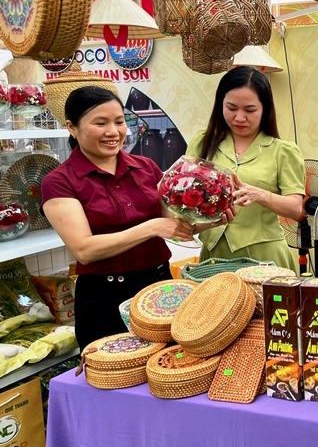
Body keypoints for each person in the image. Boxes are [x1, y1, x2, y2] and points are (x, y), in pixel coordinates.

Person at [41, 86, 208, 351]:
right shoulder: (60, 182)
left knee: (169, 372)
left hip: (160, 289)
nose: (113, 131)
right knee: (113, 382)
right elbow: (84, 249)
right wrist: (151, 227)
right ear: (72, 127)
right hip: (105, 299)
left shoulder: (145, 167)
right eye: (100, 123)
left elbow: (176, 227)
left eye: (119, 122)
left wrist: (220, 214)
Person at [186, 65, 305, 271]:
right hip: (214, 256)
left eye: (250, 110)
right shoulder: (203, 142)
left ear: (265, 109)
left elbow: (296, 209)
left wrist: (261, 196)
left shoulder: (283, 151)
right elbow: (184, 193)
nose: (239, 118)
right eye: (231, 108)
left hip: (265, 257)